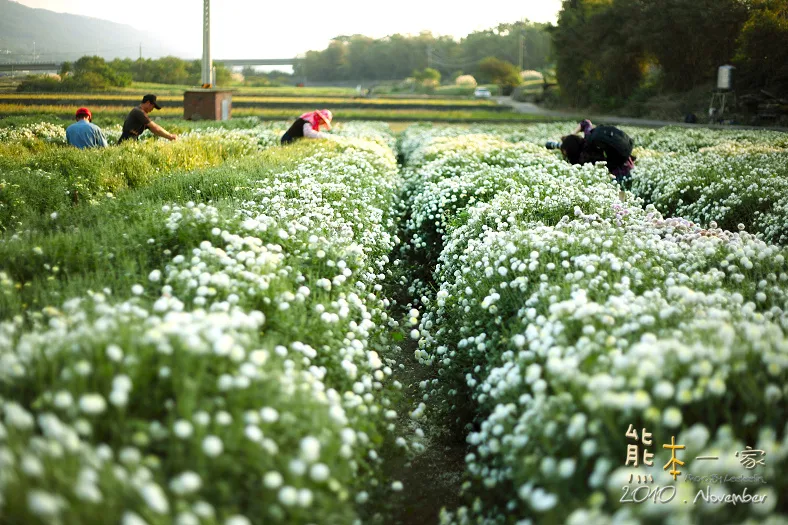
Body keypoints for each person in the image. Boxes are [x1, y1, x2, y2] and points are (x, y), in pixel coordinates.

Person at [552, 119, 636, 184]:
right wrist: (570, 136)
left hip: (621, 168)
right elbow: (585, 122)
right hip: (627, 144)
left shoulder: (585, 158)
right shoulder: (589, 137)